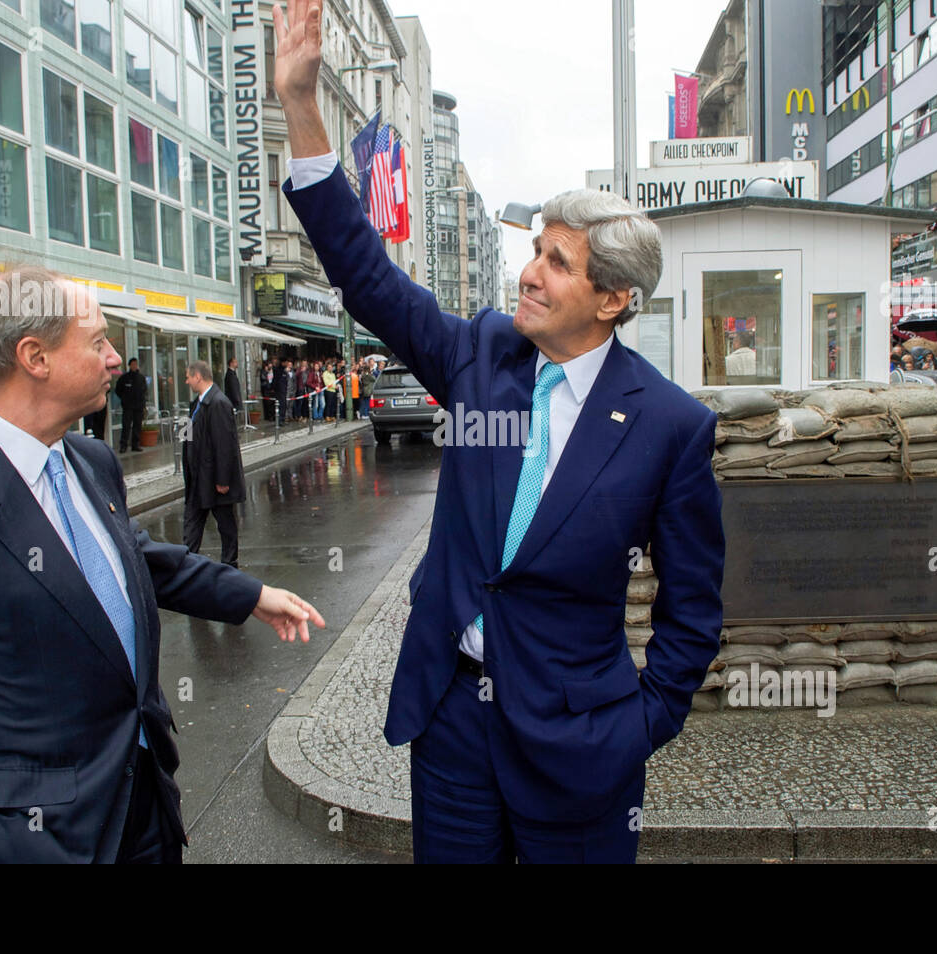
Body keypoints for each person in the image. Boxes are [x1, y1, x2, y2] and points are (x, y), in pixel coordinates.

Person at [273, 0, 723, 864]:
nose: (530, 271)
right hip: (452, 731)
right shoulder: (481, 354)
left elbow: (693, 609)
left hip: (581, 750)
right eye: (537, 249)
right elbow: (368, 278)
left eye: (559, 261)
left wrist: (640, 725)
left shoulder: (669, 426)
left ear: (615, 299)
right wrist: (301, 105)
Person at [0, 268, 324, 864]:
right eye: (97, 341)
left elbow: (134, 559)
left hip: (143, 809)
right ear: (34, 357)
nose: (115, 357)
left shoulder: (89, 458)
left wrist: (249, 595)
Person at [183, 360, 245, 568]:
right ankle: (187, 561)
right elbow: (191, 436)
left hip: (214, 478)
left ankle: (230, 561)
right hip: (199, 475)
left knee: (225, 521)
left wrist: (223, 479)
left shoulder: (219, 403)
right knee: (192, 520)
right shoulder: (197, 403)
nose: (187, 381)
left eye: (188, 376)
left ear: (198, 377)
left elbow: (224, 444)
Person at [115, 357, 147, 452]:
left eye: (136, 364)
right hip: (128, 406)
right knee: (126, 426)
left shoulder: (141, 378)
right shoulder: (124, 378)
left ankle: (135, 445)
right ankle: (123, 445)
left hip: (138, 406)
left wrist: (143, 404)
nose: (134, 366)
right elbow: (118, 390)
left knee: (137, 426)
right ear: (129, 366)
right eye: (132, 364)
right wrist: (124, 399)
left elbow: (144, 391)